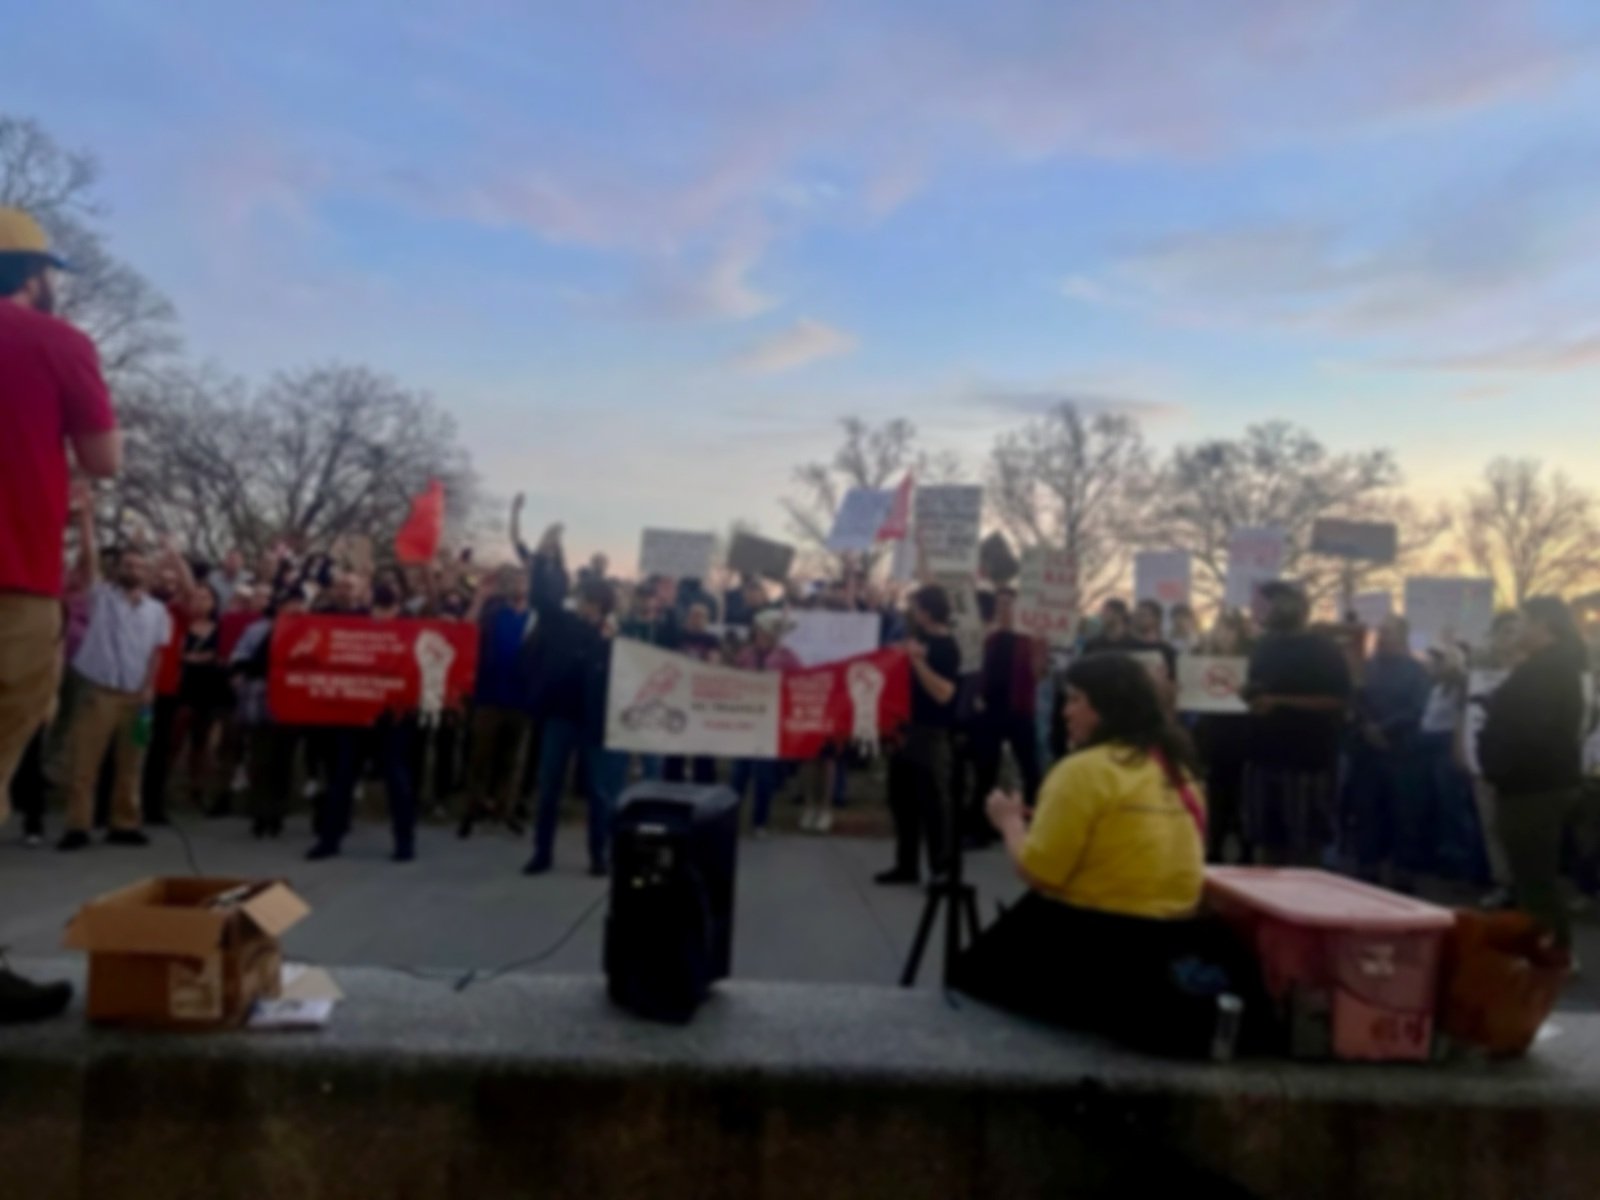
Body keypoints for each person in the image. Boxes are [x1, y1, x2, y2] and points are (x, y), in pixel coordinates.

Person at [952, 655, 1230, 1053]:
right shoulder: (1178, 767)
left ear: (1108, 705)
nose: (1065, 712)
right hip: (1180, 943)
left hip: (1098, 946)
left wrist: (1009, 823)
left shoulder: (1083, 770)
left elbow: (1039, 872)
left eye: (1076, 700)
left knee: (970, 974)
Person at [1479, 596, 1588, 950]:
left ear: (1545, 626)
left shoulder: (1548, 671)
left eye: (1525, 622)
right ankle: (1546, 946)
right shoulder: (1550, 667)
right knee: (1532, 876)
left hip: (1533, 787)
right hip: (1535, 783)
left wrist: (1499, 763)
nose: (1519, 630)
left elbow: (1528, 731)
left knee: (1534, 878)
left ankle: (1553, 951)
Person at [57, 542, 177, 850]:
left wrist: (149, 687)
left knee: (132, 762)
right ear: (118, 569)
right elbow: (89, 559)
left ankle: (124, 823)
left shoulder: (157, 611)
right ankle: (78, 825)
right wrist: (86, 522)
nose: (134, 570)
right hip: (100, 692)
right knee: (84, 762)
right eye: (128, 565)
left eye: (140, 566)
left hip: (137, 696)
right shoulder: (102, 598)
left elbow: (156, 653)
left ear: (148, 573)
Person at [524, 520, 626, 876]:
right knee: (549, 786)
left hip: (595, 720)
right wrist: (542, 553)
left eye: (589, 601)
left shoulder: (612, 638)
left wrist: (610, 641)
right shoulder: (561, 623)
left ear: (601, 605)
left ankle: (598, 853)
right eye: (581, 599)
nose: (583, 605)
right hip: (559, 717)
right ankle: (542, 853)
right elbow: (540, 597)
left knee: (598, 792)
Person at [307, 577, 421, 862]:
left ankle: (404, 842)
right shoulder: (352, 621)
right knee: (342, 777)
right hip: (354, 713)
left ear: (400, 598)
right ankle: (330, 838)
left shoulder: (411, 625)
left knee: (396, 778)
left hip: (394, 715)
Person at [1240, 581, 1352, 866]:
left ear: (1295, 608)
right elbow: (1258, 689)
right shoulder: (1263, 646)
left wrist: (1279, 702)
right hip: (1263, 757)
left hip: (1307, 761)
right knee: (1266, 840)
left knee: (1304, 844)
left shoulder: (1323, 649)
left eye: (1272, 603)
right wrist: (1248, 694)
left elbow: (1338, 700)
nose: (1266, 610)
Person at [877, 584, 961, 885]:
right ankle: (906, 865)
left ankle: (941, 869)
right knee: (901, 801)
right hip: (904, 730)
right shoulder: (917, 638)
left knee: (933, 804)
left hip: (931, 733)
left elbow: (944, 693)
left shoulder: (947, 646)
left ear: (927, 610)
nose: (912, 612)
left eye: (916, 607)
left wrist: (917, 662)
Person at [1346, 617, 1432, 888]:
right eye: (1380, 632)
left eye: (1389, 632)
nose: (1382, 637)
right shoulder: (1365, 668)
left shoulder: (1416, 671)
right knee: (1368, 810)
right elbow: (1354, 701)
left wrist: (1386, 729)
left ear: (1402, 637)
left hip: (1402, 752)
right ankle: (1367, 866)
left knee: (1403, 812)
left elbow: (1418, 708)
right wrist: (1366, 728)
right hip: (1367, 753)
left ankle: (1403, 869)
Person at [458, 566, 533, 837]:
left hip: (521, 699)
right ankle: (472, 809)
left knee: (512, 760)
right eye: (511, 580)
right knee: (480, 757)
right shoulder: (492, 612)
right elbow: (465, 629)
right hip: (488, 695)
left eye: (521, 580)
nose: (516, 585)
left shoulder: (535, 617)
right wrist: (480, 598)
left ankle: (506, 809)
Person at [970, 587, 1044, 844]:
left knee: (1030, 769)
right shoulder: (989, 636)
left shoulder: (1030, 638)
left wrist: (1039, 648)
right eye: (1000, 605)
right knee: (985, 771)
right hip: (990, 711)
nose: (1004, 609)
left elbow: (1039, 675)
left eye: (1009, 604)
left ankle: (1035, 824)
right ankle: (982, 828)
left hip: (1020, 711)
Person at [731, 609, 801, 834]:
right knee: (738, 773)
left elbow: (800, 682)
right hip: (745, 720)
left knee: (763, 775)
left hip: (769, 721)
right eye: (759, 631)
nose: (761, 635)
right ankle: (730, 819)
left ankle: (760, 821)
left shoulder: (788, 657)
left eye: (765, 632)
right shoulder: (745, 655)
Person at [170, 583, 232, 812]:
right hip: (182, 688)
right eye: (197, 597)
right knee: (174, 739)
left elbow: (220, 655)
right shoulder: (181, 625)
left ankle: (196, 791)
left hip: (209, 690)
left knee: (201, 742)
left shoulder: (220, 627)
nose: (201, 601)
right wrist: (193, 657)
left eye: (207, 597)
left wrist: (198, 657)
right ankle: (159, 789)